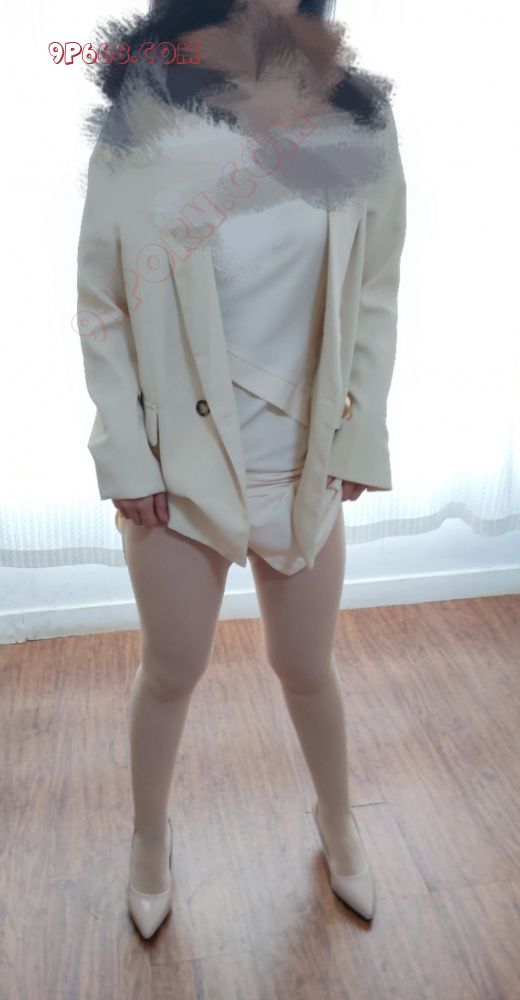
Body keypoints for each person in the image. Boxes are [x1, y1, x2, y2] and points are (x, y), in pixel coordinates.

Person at [76, 0, 407, 937]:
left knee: (307, 666)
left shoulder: (358, 117)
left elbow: (376, 292)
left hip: (303, 459)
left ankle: (339, 822)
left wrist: (361, 436)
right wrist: (124, 452)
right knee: (171, 669)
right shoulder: (144, 114)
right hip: (178, 467)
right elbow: (102, 303)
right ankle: (149, 841)